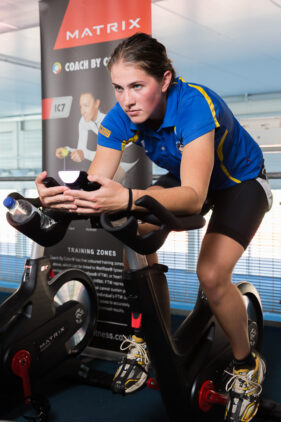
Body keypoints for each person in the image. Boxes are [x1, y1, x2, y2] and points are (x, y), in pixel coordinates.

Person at [36, 33, 272, 421]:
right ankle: (150, 337)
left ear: (164, 80)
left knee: (211, 276)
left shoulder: (196, 103)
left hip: (238, 183)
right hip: (184, 176)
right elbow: (96, 186)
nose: (126, 99)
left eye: (137, 86)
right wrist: (62, 197)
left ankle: (247, 367)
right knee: (137, 236)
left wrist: (128, 199)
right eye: (118, 88)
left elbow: (195, 197)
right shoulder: (119, 117)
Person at [56, 92, 105, 163]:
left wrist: (83, 154)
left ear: (96, 103)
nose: (82, 111)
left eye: (86, 106)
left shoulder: (109, 121)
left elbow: (108, 156)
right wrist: (66, 150)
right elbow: (81, 150)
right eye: (81, 106)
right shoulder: (84, 121)